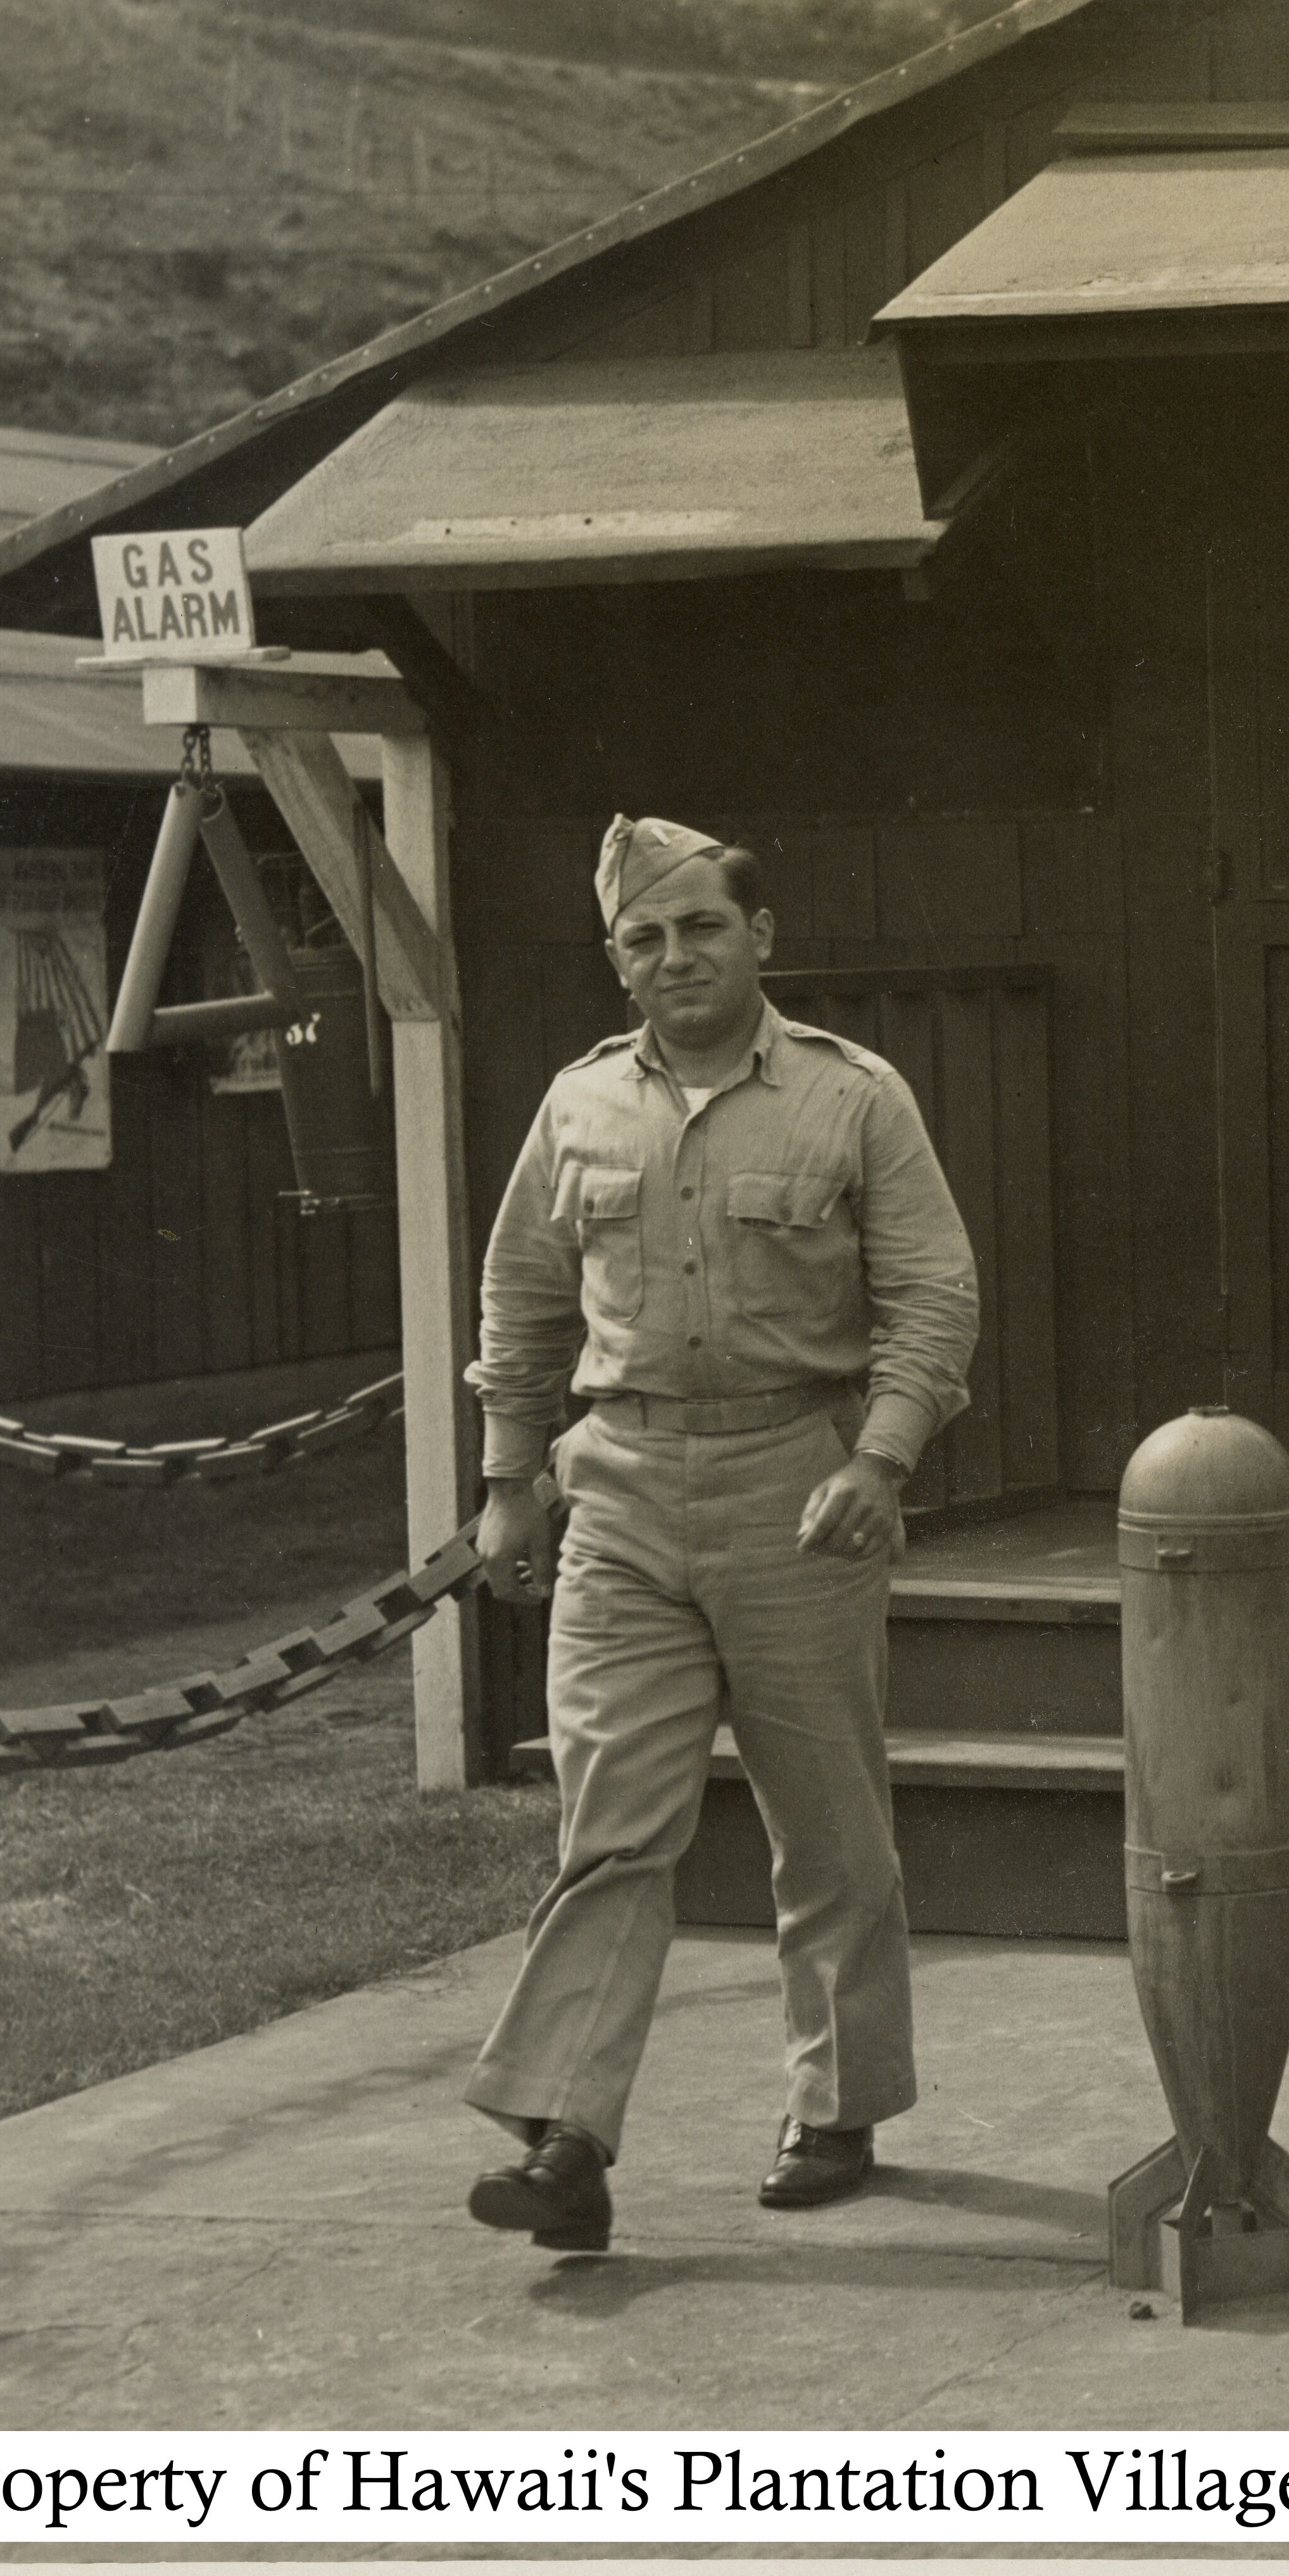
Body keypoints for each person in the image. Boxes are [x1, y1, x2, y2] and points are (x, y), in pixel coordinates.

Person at [456, 815, 981, 2251]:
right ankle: (567, 2138)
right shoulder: (578, 1105)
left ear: (760, 938)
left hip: (794, 1491)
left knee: (828, 1826)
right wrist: (508, 1480)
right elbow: (522, 1298)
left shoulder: (851, 1097)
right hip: (619, 1493)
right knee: (609, 1826)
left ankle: (838, 2104)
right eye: (645, 938)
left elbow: (934, 1296)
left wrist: (880, 1459)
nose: (675, 956)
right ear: (617, 961)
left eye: (701, 928)